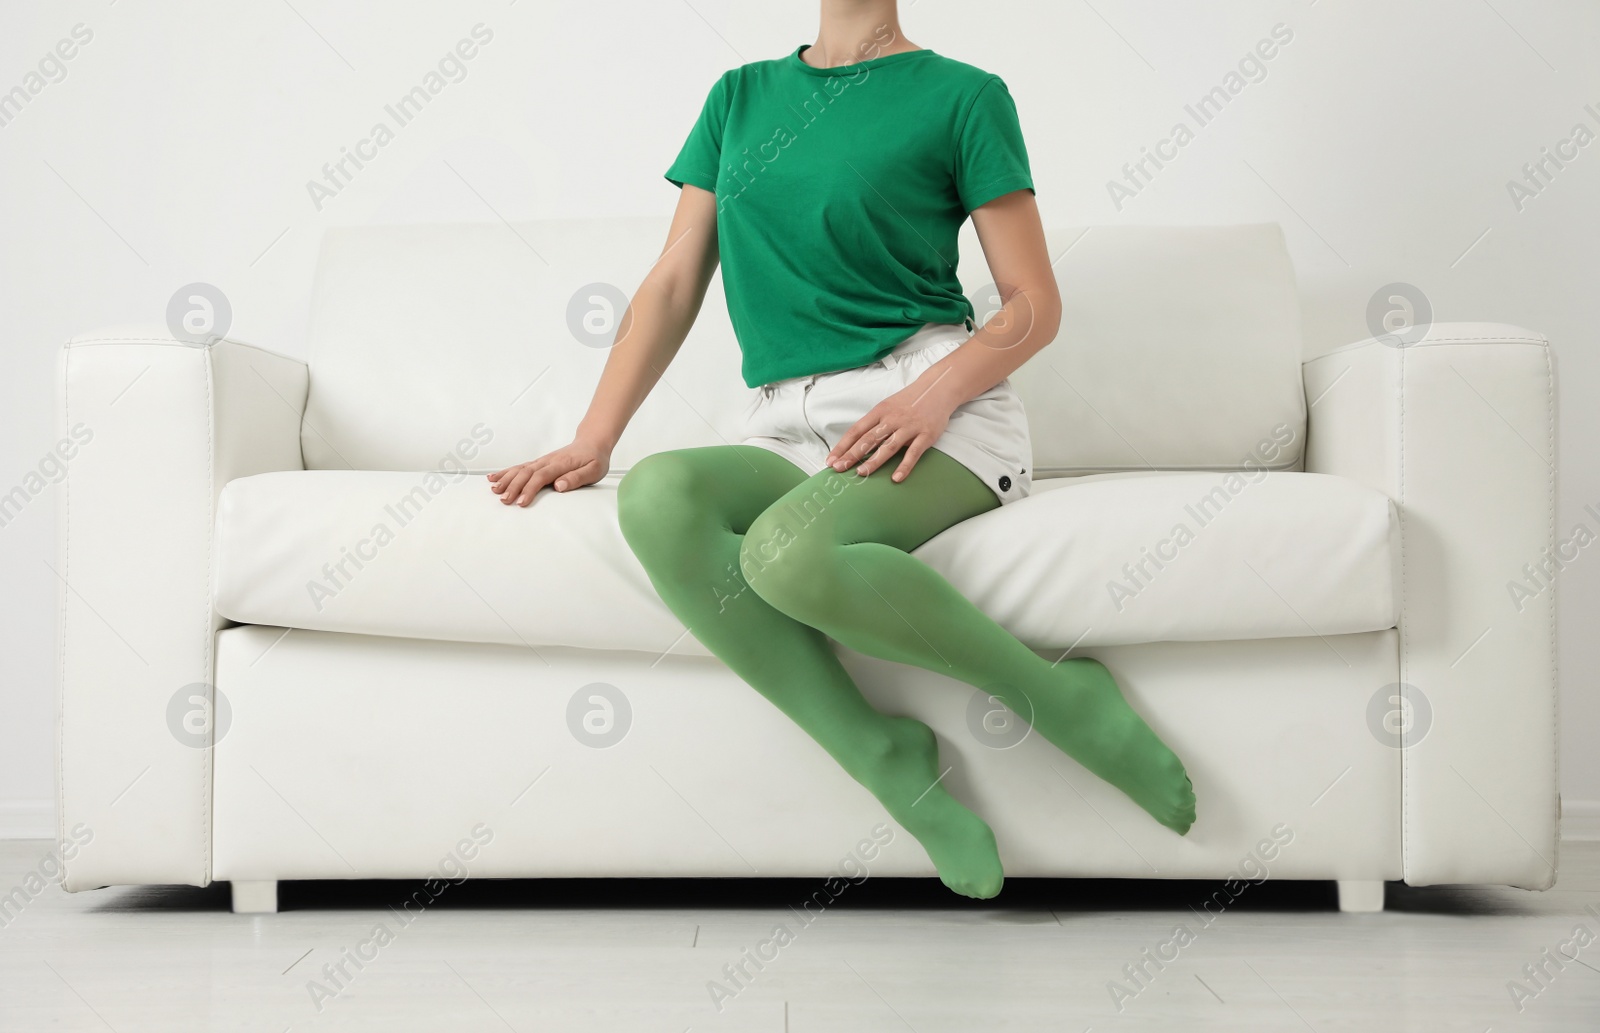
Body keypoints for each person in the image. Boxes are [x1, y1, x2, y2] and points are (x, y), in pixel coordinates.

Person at [488, 1, 1195, 898]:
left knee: (788, 551)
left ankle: (1061, 700)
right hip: (788, 418)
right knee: (657, 495)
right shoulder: (738, 97)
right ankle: (884, 753)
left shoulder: (963, 96)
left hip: (935, 401)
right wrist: (595, 439)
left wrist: (933, 394)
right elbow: (672, 282)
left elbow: (1032, 304)